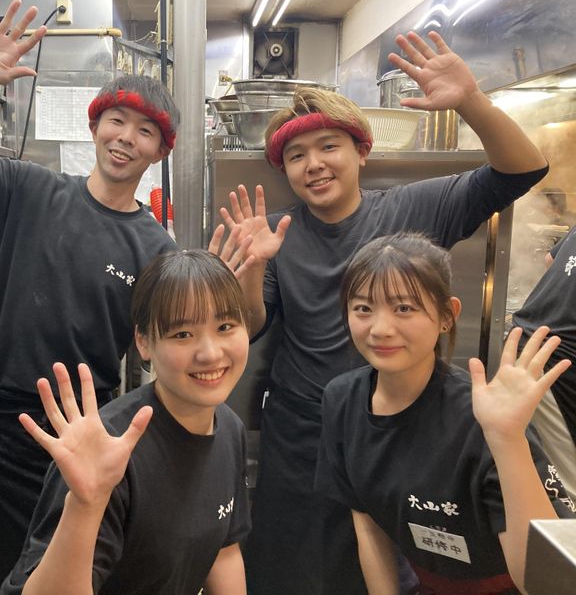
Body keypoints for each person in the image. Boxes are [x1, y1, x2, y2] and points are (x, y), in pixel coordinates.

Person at [213, 31, 550, 594]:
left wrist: (471, 101)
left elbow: (523, 170)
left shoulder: (412, 207)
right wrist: (249, 271)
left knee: (378, 562)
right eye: (296, 156)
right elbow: (249, 329)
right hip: (300, 429)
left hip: (400, 430)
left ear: (361, 152)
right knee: (286, 565)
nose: (314, 164)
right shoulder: (275, 233)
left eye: (328, 147)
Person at [0, 0, 181, 591]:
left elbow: (165, 346)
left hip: (89, 423)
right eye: (117, 121)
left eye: (146, 131)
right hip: (10, 420)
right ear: (95, 126)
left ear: (161, 151)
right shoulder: (28, 188)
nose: (126, 138)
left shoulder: (156, 246)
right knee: (19, 566)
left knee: (82, 566)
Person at [315, 232, 575, 593]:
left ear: (447, 316)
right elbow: (368, 524)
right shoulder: (341, 399)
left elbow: (544, 580)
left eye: (404, 308)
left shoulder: (484, 416)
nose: (380, 329)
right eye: (363, 308)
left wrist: (508, 440)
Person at [1, 249, 251, 594]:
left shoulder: (230, 429)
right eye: (182, 334)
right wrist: (86, 506)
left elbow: (223, 551)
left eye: (225, 327)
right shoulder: (109, 452)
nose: (210, 353)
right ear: (144, 342)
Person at [512, 223, 576, 496]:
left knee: (537, 470)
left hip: (528, 341)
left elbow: (550, 260)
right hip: (557, 361)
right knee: (567, 486)